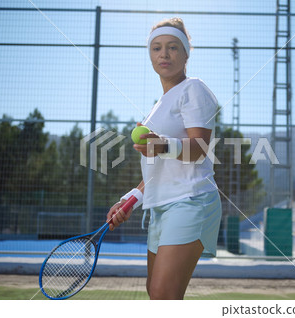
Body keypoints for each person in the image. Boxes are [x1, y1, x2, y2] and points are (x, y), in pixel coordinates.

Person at [106, 17, 222, 300]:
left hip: (192, 201)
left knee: (162, 293)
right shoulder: (157, 107)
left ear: (185, 54)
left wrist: (163, 145)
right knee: (154, 292)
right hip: (160, 208)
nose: (164, 54)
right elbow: (159, 169)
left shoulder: (194, 88)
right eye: (156, 48)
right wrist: (131, 198)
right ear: (150, 55)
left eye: (172, 47)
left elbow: (200, 147)